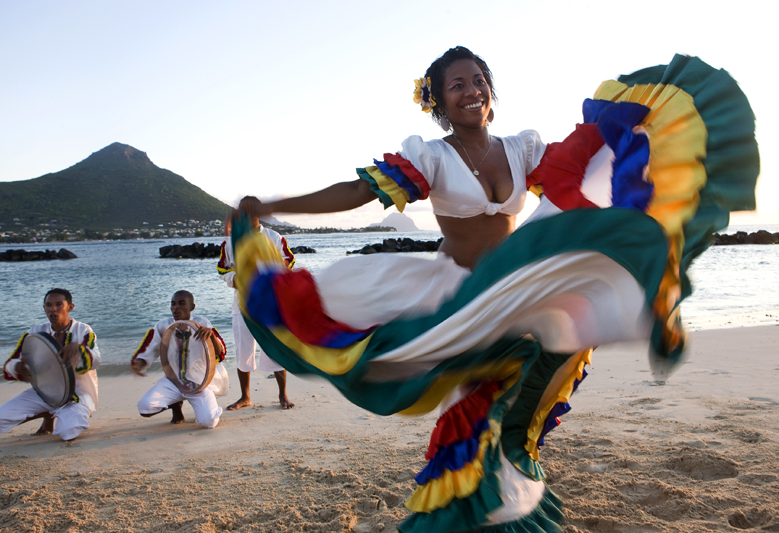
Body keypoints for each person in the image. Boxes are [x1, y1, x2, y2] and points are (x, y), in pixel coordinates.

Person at [230, 47, 758, 532]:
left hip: (518, 289)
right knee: (475, 409)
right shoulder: (431, 156)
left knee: (527, 391)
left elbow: (577, 165)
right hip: (456, 296)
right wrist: (277, 207)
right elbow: (356, 192)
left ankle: (507, 500)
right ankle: (484, 512)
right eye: (456, 84)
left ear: (491, 90)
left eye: (478, 80)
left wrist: (632, 132)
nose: (471, 90)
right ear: (438, 99)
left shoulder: (520, 148)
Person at [0, 288, 101, 441]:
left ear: (70, 307)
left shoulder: (83, 330)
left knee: (69, 432)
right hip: (44, 393)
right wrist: (17, 367)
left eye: (59, 304)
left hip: (77, 395)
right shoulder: (35, 333)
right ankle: (48, 415)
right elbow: (11, 363)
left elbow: (96, 360)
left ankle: (59, 415)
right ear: (44, 308)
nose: (53, 310)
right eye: (48, 305)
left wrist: (79, 351)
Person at [218, 218, 296, 410]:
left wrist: (272, 275)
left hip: (270, 302)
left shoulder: (274, 237)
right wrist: (234, 278)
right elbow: (222, 268)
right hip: (242, 303)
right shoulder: (230, 242)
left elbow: (289, 259)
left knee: (275, 347)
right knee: (243, 349)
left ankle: (282, 395)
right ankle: (245, 397)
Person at [131, 290, 229, 429]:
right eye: (173, 304)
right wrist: (140, 362)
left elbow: (221, 351)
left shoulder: (202, 322)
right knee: (145, 408)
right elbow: (150, 346)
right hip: (174, 381)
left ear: (192, 307)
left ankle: (203, 405)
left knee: (209, 422)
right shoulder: (163, 326)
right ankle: (176, 406)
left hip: (199, 383)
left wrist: (211, 335)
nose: (176, 307)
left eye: (182, 304)